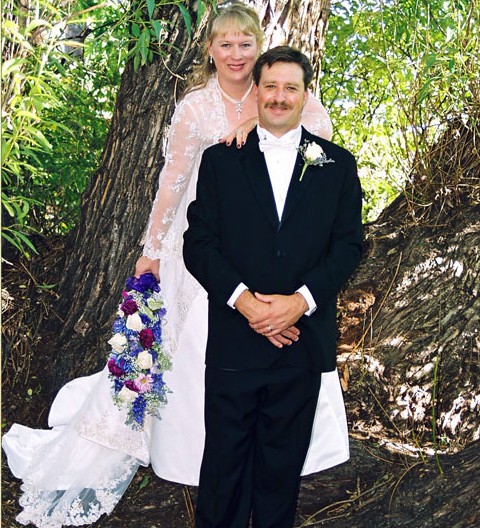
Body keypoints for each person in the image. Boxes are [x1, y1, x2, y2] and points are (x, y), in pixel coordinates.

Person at [1, 4, 346, 528]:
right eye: (225, 44)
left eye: (245, 44)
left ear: (259, 49)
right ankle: (192, 458)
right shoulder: (195, 108)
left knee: (272, 363)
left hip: (277, 260)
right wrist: (151, 249)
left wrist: (255, 117)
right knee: (198, 351)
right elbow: (173, 183)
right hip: (208, 253)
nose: (236, 55)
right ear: (209, 50)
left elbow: (317, 149)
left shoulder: (281, 93)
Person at [183, 46, 363, 527]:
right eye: (271, 86)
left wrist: (298, 304)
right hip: (234, 343)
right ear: (256, 92)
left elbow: (348, 247)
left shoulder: (338, 166)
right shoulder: (221, 162)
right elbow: (198, 243)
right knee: (222, 471)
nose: (279, 97)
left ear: (307, 95)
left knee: (281, 475)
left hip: (300, 344)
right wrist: (246, 303)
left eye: (291, 88)